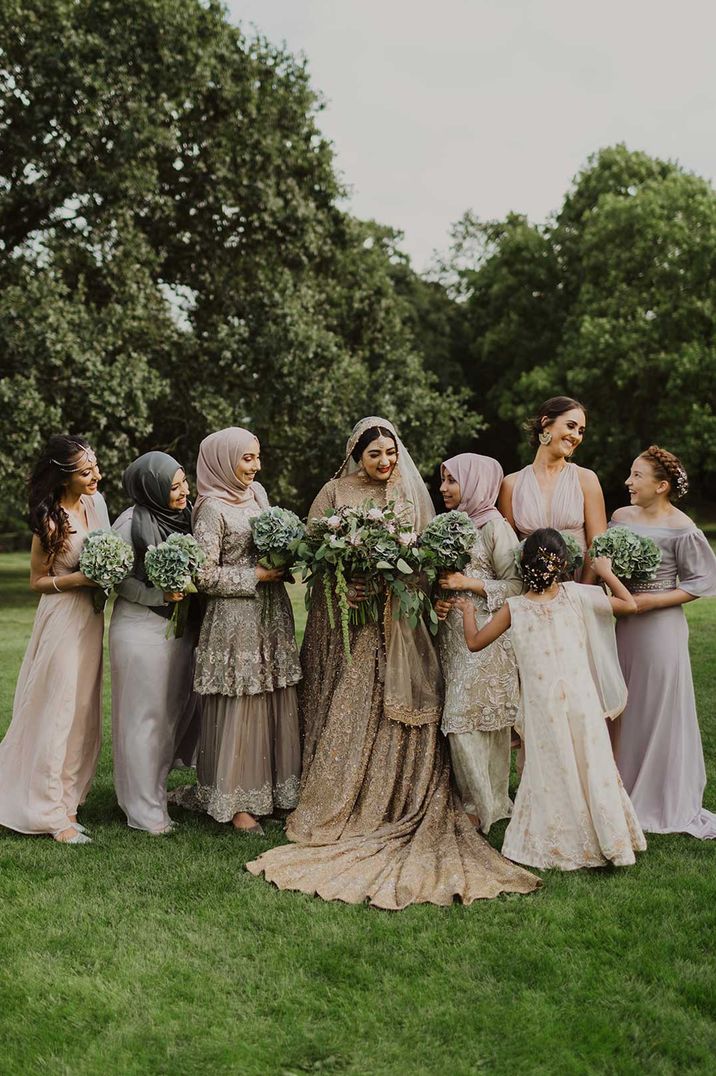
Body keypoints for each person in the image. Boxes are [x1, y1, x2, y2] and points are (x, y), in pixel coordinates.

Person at [247, 418, 540, 908]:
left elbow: (425, 563)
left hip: (395, 620)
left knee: (391, 703)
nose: (385, 463)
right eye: (374, 455)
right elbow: (316, 557)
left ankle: (395, 796)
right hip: (348, 622)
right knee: (346, 701)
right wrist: (346, 576)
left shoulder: (408, 493)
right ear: (356, 456)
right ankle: (334, 796)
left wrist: (399, 582)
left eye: (390, 454)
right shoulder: (334, 492)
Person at [453, 528, 646, 870]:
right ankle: (608, 835)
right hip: (581, 700)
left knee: (554, 764)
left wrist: (468, 613)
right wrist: (605, 572)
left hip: (544, 705)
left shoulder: (515, 608)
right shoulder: (576, 595)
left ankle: (564, 834)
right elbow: (629, 605)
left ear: (524, 565)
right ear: (562, 566)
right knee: (591, 761)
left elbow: (474, 643)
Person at [174, 427, 302, 836]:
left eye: (257, 457)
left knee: (272, 696)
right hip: (234, 620)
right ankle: (236, 801)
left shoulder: (260, 494)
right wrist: (258, 574)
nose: (255, 466)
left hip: (271, 613)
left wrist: (286, 557)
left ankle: (276, 793)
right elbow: (204, 575)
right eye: (247, 458)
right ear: (223, 460)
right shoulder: (210, 508)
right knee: (241, 702)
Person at [0, 436, 109, 844]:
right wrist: (77, 580)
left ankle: (67, 802)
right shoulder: (50, 520)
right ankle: (49, 814)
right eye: (85, 471)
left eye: (95, 466)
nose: (96, 475)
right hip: (63, 618)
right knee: (58, 710)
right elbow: (36, 581)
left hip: (91, 620)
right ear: (64, 477)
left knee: (82, 712)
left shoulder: (94, 506)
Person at [611, 445, 716, 838]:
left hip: (660, 628)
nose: (628, 482)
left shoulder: (682, 527)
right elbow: (604, 563)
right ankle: (619, 789)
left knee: (655, 707)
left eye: (636, 476)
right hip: (621, 622)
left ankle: (657, 795)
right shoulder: (620, 518)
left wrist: (653, 599)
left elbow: (702, 582)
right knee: (623, 703)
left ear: (662, 485)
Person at [110, 452, 201, 835]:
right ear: (151, 487)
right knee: (142, 720)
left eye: (183, 483)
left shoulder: (189, 516)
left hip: (178, 633)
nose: (183, 491)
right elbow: (115, 578)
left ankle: (153, 794)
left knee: (168, 718)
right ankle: (143, 811)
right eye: (174, 486)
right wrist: (158, 595)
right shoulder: (130, 522)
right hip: (140, 629)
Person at [435, 453, 522, 833]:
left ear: (475, 483)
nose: (443, 488)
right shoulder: (444, 527)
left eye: (452, 481)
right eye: (442, 480)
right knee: (464, 720)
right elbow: (437, 581)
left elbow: (518, 585)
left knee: (469, 721)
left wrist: (467, 584)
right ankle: (478, 799)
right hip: (450, 639)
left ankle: (482, 804)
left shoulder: (495, 527)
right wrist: (436, 600)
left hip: (487, 638)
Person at [499, 396, 607, 582]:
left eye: (581, 431)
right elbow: (507, 550)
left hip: (579, 587)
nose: (576, 436)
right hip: (530, 591)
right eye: (571, 426)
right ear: (546, 422)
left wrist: (583, 593)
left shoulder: (586, 479)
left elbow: (597, 545)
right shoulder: (511, 484)